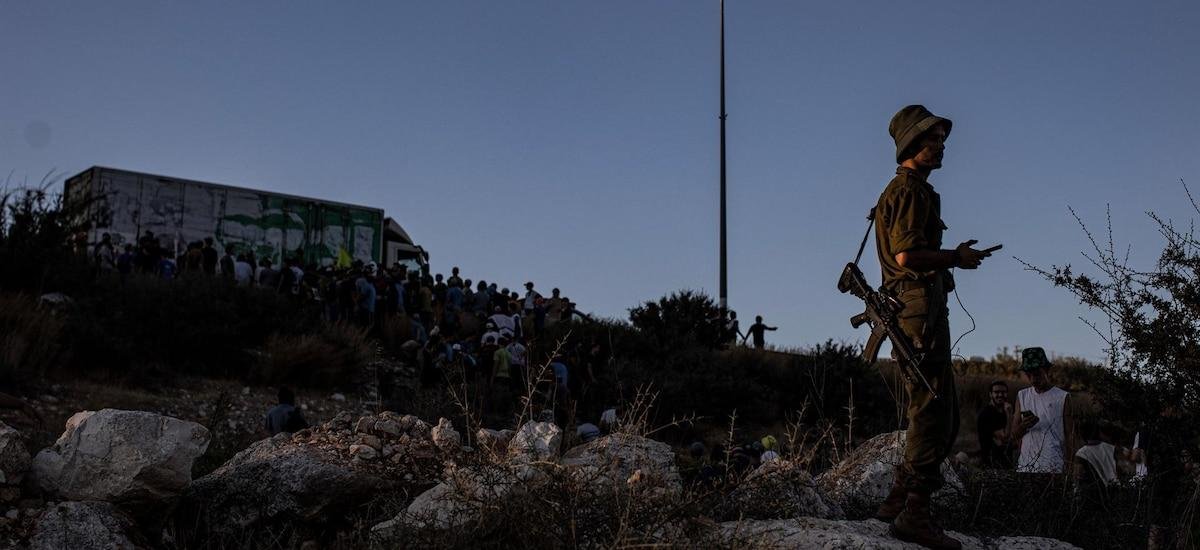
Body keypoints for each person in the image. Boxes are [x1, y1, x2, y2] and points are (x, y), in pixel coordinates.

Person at [871, 105, 992, 550]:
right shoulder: (911, 192)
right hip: (918, 311)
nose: (941, 146)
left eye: (942, 138)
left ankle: (898, 499)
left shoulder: (906, 191)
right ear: (912, 145)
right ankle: (915, 513)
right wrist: (954, 258)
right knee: (933, 410)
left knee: (937, 407)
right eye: (933, 139)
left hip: (914, 309)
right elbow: (906, 257)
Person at [1011, 347, 1073, 474]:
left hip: (1054, 467)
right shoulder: (1022, 396)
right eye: (1029, 374)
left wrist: (1070, 465)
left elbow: (1070, 435)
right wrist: (1024, 425)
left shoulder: (1062, 397)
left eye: (1037, 373)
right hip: (1026, 467)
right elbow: (1013, 435)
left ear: (1047, 370)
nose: (1033, 379)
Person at [976, 380, 1014, 469]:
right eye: (996, 392)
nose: (1000, 395)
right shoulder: (986, 414)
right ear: (990, 394)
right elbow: (1005, 437)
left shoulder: (1005, 411)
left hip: (1007, 463)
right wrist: (1009, 415)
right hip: (991, 463)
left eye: (1003, 392)